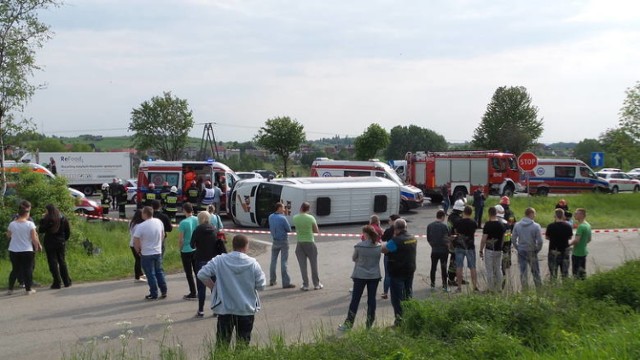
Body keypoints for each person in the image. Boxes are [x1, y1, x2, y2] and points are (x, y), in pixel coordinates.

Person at [197, 234, 266, 348]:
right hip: (245, 309)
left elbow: (202, 274)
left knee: (222, 345)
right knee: (242, 345)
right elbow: (261, 285)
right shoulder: (253, 263)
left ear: (233, 245)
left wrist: (214, 287)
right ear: (246, 246)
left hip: (225, 309)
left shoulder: (219, 260)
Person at [338, 225, 382, 331]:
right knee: (372, 300)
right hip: (374, 275)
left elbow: (354, 258)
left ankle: (348, 324)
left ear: (365, 234)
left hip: (360, 275)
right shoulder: (378, 246)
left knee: (355, 300)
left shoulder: (359, 246)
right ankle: (369, 324)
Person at [191, 211, 227, 318]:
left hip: (201, 259)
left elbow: (191, 244)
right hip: (213, 260)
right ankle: (216, 309)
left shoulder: (198, 229)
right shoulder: (214, 229)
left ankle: (201, 310)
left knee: (201, 286)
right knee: (214, 285)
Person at [381, 219, 416, 326]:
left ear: (396, 229)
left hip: (397, 272)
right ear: (406, 227)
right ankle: (410, 317)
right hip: (409, 270)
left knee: (397, 298)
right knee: (408, 294)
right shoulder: (413, 238)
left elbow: (384, 250)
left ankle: (399, 321)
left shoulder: (396, 241)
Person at [7, 202, 42, 295]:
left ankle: (10, 289)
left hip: (13, 250)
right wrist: (37, 247)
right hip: (26, 250)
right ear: (26, 214)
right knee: (28, 270)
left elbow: (8, 236)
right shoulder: (30, 224)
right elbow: (34, 238)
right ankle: (28, 289)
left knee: (15, 269)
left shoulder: (12, 224)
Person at [133, 206, 167, 300]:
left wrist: (138, 251)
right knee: (159, 271)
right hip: (157, 251)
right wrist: (159, 244)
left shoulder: (141, 226)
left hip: (147, 253)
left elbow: (135, 240)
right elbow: (163, 234)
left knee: (150, 274)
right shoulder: (158, 222)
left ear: (145, 214)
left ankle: (153, 293)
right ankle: (164, 290)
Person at [39, 204, 72, 289]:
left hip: (49, 242)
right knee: (62, 261)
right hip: (60, 242)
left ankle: (57, 282)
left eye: (46, 210)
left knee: (52, 262)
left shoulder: (47, 219)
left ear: (48, 211)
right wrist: (64, 239)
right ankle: (66, 281)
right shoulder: (63, 218)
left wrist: (42, 219)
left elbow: (41, 230)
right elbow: (67, 231)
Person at [292, 202, 323, 291]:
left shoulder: (295, 217)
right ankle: (316, 284)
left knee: (303, 265)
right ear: (308, 209)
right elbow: (316, 231)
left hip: (300, 243)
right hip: (310, 241)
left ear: (301, 208)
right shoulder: (311, 218)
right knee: (313, 264)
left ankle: (305, 284)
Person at [512, 207, 544, 290]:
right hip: (532, 250)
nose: (535, 215)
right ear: (531, 214)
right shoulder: (536, 226)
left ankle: (525, 290)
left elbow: (513, 239)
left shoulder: (517, 225)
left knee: (523, 272)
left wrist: (518, 247)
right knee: (536, 272)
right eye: (534, 214)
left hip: (521, 250)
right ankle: (539, 289)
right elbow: (540, 241)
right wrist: (537, 249)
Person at [268, 202, 295, 288]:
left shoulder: (270, 217)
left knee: (273, 261)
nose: (284, 210)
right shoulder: (283, 218)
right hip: (283, 240)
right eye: (283, 208)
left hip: (275, 240)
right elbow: (289, 229)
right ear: (279, 208)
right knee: (284, 262)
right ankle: (286, 282)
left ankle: (272, 280)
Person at [453, 205, 480, 292]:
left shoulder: (458, 222)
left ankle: (459, 287)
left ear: (463, 212)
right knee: (472, 267)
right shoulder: (473, 222)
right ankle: (474, 287)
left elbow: (455, 231)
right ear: (471, 213)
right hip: (470, 246)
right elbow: (474, 231)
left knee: (459, 267)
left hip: (459, 246)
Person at [479, 206, 505, 292]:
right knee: (498, 268)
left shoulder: (487, 225)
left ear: (489, 214)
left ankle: (490, 288)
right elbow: (503, 238)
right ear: (496, 213)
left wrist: (481, 250)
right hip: (498, 250)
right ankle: (499, 288)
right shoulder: (501, 225)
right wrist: (501, 247)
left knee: (489, 270)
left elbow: (484, 239)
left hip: (489, 250)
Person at [178, 203, 199, 300]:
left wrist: (180, 249)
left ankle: (193, 292)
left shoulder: (183, 223)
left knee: (189, 273)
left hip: (186, 249)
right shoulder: (197, 219)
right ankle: (200, 290)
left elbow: (181, 239)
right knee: (197, 271)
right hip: (195, 248)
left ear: (184, 210)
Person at [546, 208, 574, 281]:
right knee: (565, 274)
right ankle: (565, 289)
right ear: (563, 216)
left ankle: (553, 289)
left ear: (555, 216)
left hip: (553, 251)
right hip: (564, 251)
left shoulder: (550, 226)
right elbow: (570, 237)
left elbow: (547, 237)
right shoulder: (568, 226)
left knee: (553, 274)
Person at [426, 210, 450, 291]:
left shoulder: (430, 226)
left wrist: (433, 246)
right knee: (443, 267)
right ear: (443, 217)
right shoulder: (444, 226)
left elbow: (428, 239)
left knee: (433, 267)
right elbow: (446, 239)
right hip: (443, 250)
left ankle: (432, 285)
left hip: (434, 250)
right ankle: (445, 286)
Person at [380, 214, 400, 299]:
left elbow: (383, 239)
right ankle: (397, 292)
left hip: (388, 254)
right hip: (399, 255)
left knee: (388, 274)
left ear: (393, 221)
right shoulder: (401, 230)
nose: (388, 222)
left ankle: (385, 292)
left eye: (389, 220)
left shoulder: (389, 230)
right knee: (397, 274)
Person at [447, 199, 466, 287]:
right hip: (456, 242)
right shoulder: (457, 219)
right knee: (455, 261)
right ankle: (451, 279)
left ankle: (458, 278)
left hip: (451, 241)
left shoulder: (450, 216)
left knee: (456, 260)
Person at [569, 208, 591, 280]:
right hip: (584, 252)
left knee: (576, 274)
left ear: (581, 215)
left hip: (577, 253)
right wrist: (582, 244)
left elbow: (576, 240)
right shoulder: (588, 225)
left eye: (576, 213)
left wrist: (568, 245)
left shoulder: (581, 227)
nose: (574, 215)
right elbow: (589, 239)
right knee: (582, 273)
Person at [129, 210, 146, 282]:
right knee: (138, 260)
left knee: (138, 259)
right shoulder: (139, 225)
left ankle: (140, 273)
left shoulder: (132, 222)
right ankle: (137, 277)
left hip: (132, 243)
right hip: (137, 244)